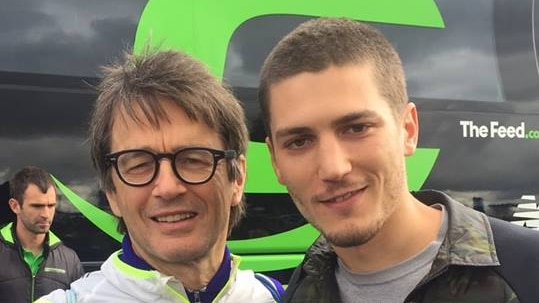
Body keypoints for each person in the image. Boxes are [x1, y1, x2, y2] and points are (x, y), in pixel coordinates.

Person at [258, 17, 539, 303]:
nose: (334, 168)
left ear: (408, 129)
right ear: (275, 161)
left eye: (357, 128)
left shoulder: (527, 271)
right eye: (299, 142)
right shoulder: (302, 289)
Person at [37, 49, 283, 303]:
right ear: (112, 194)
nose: (167, 187)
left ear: (238, 178)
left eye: (193, 159)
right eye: (139, 165)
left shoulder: (279, 297)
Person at [0, 166, 84, 303]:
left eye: (51, 206)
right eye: (37, 206)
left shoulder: (69, 260)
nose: (46, 214)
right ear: (15, 206)